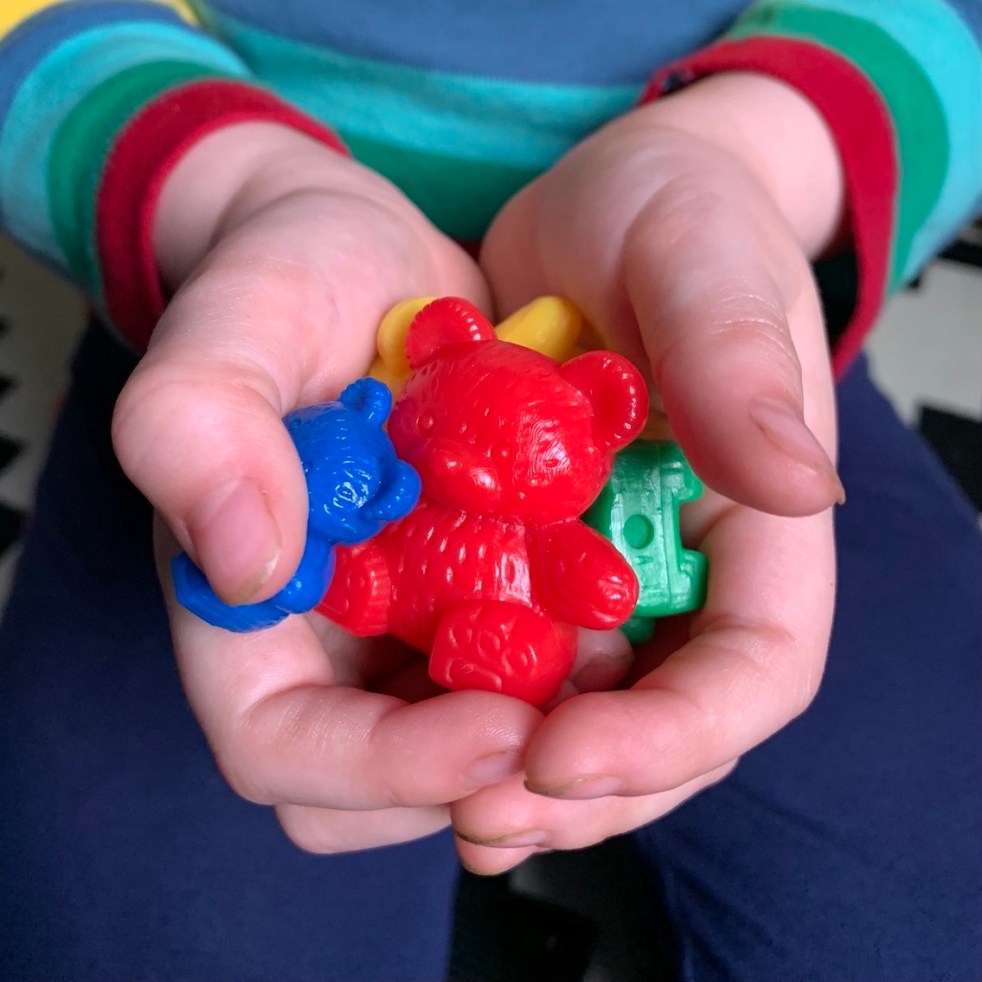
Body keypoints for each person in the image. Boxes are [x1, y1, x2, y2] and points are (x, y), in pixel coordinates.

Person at [1, 1, 979, 979]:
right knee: (144, 934)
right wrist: (231, 192)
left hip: (707, 327)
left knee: (931, 898)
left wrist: (756, 153)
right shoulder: (393, 414)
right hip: (234, 317)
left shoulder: (605, 445)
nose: (473, 467)